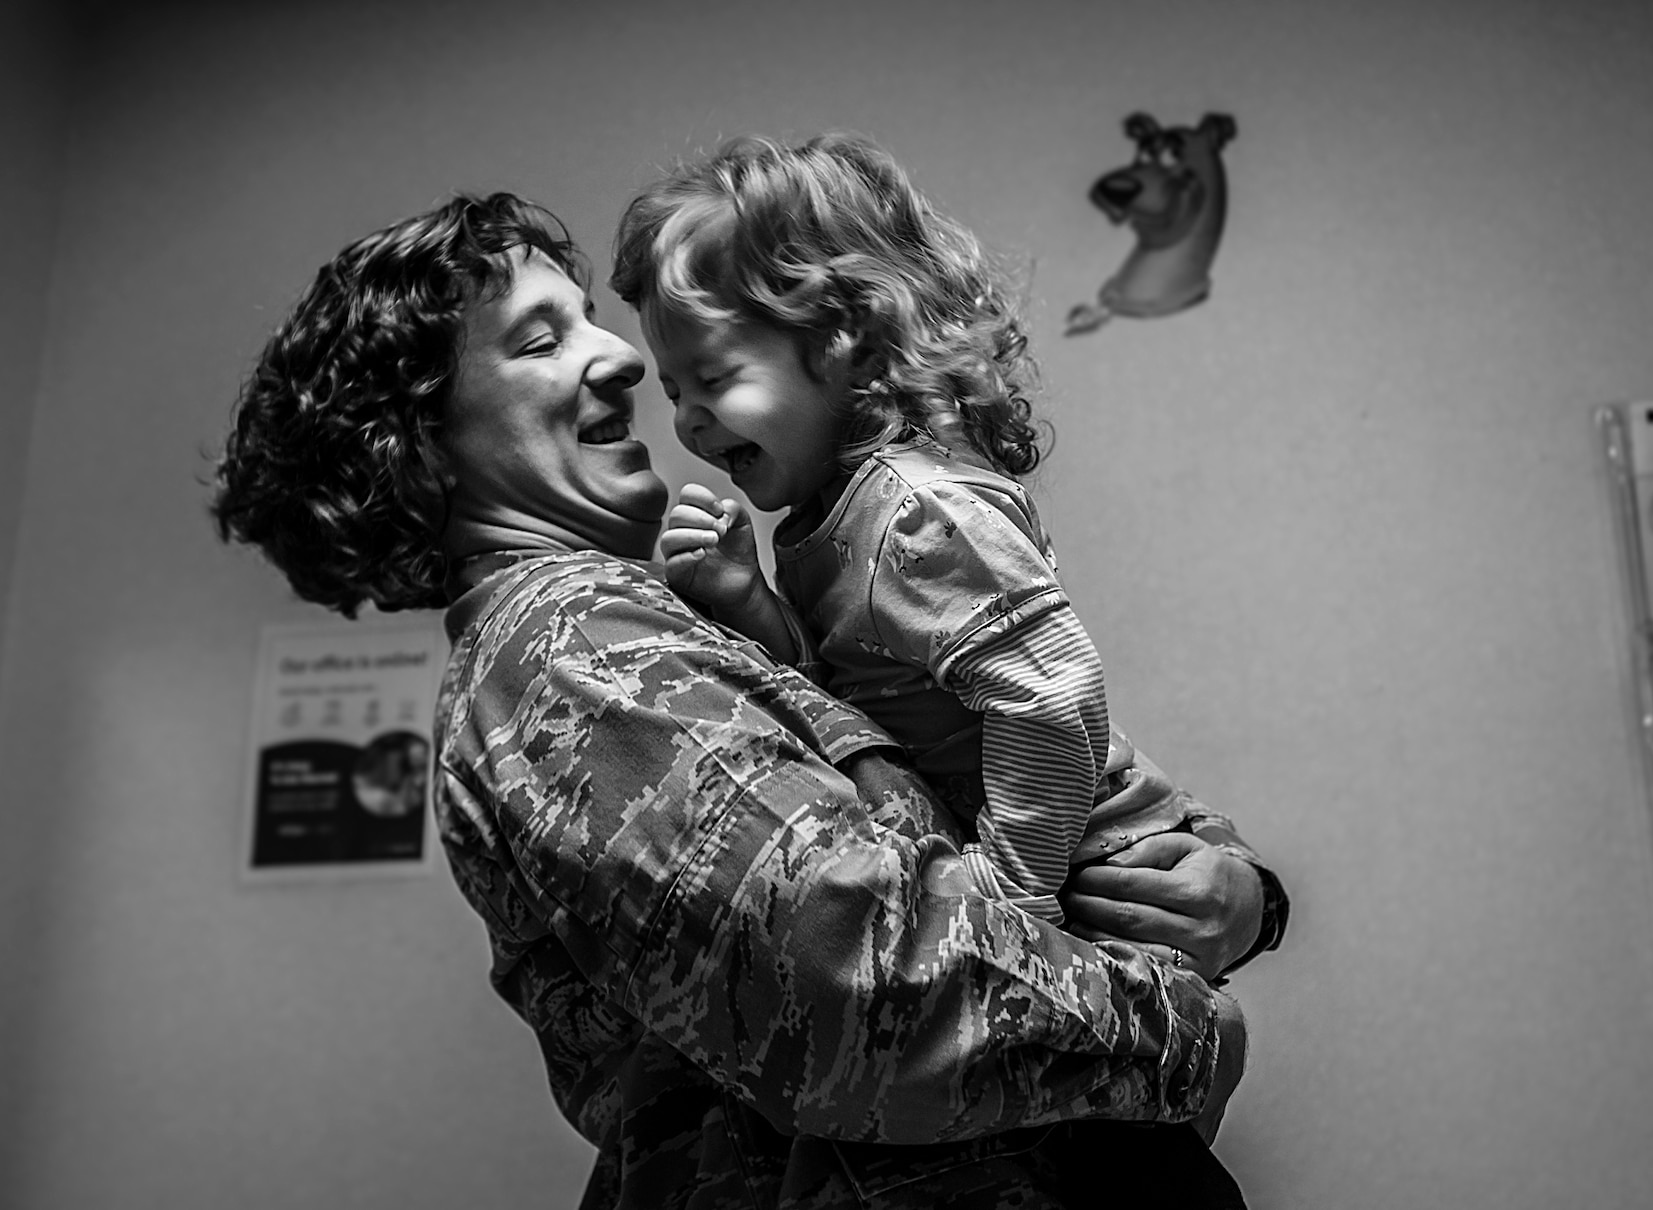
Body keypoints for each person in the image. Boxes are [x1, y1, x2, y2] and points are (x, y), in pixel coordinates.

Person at [209, 192, 1288, 1209]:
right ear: (422, 447)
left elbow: (992, 766)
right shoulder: (572, 649)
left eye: (586, 320)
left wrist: (1234, 889)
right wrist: (1189, 1032)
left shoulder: (669, 622)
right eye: (540, 340)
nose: (625, 356)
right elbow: (871, 981)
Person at [612, 133, 1190, 931]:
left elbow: (1053, 697)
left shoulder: (917, 515)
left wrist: (1008, 889)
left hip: (1102, 867)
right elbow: (852, 697)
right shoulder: (831, 517)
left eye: (713, 379)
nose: (687, 422)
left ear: (845, 344)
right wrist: (750, 603)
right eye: (674, 391)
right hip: (1042, 862)